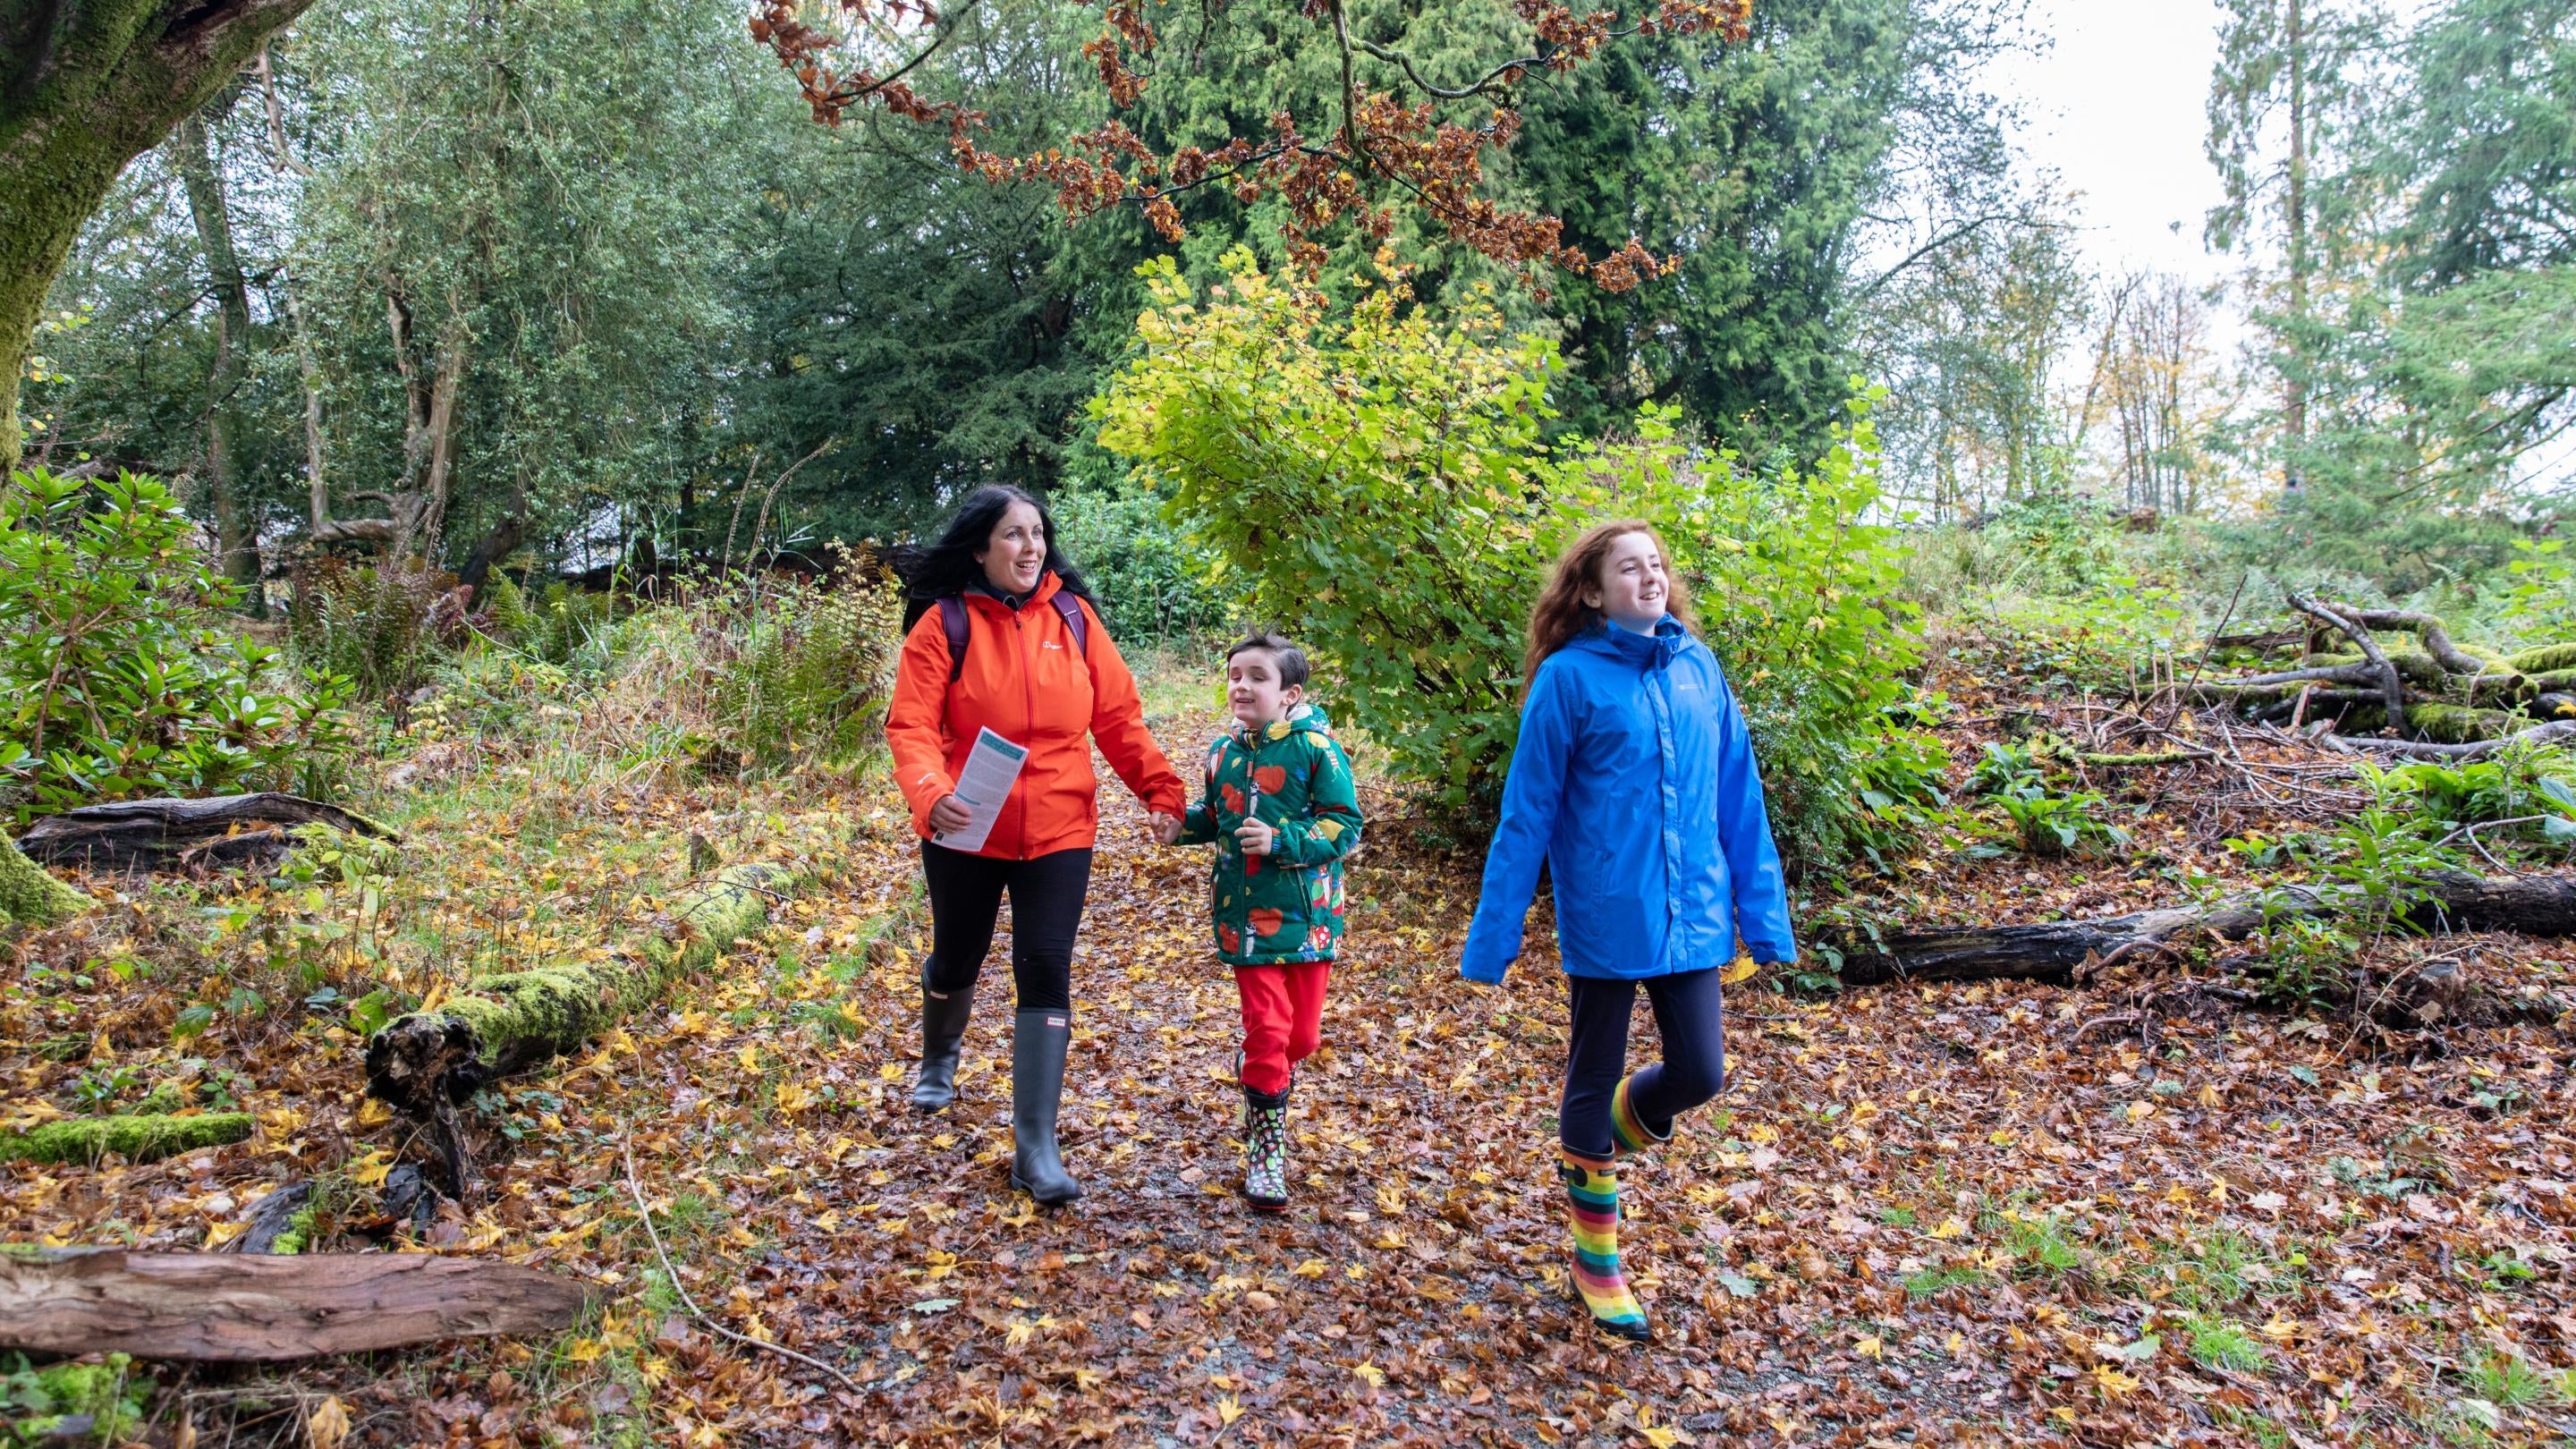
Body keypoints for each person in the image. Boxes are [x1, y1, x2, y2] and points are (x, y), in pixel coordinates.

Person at [1457, 520, 1796, 1343]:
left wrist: (1765, 918)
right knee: (1593, 1065)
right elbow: (1527, 811)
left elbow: (1738, 797)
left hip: (1696, 910)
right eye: (1628, 567)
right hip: (1609, 907)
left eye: (1656, 565)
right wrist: (1494, 937)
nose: (1648, 577)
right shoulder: (1568, 680)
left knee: (1701, 1073)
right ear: (1592, 590)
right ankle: (1595, 1258)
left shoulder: (1698, 668)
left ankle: (1594, 1144)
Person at [886, 485, 1185, 1207]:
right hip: (966, 822)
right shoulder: (943, 624)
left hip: (1060, 824)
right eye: (1014, 536)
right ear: (981, 547)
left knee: (1046, 966)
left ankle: (1035, 1146)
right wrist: (931, 792)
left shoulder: (1074, 620)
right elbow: (911, 727)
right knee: (959, 953)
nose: (1030, 548)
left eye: (1038, 534)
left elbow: (1118, 718)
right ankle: (939, 1058)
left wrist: (1161, 791)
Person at [1156, 633, 1362, 1211]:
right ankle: (1266, 1151)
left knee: (1303, 1038)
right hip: (1245, 917)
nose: (1241, 686)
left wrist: (1280, 840)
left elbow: (1344, 825)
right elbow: (1217, 817)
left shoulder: (1316, 748)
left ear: (1290, 693)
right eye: (1234, 675)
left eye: (1256, 677)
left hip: (1308, 916)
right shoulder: (1222, 752)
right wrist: (1182, 827)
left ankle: (1262, 1069)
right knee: (1269, 1033)